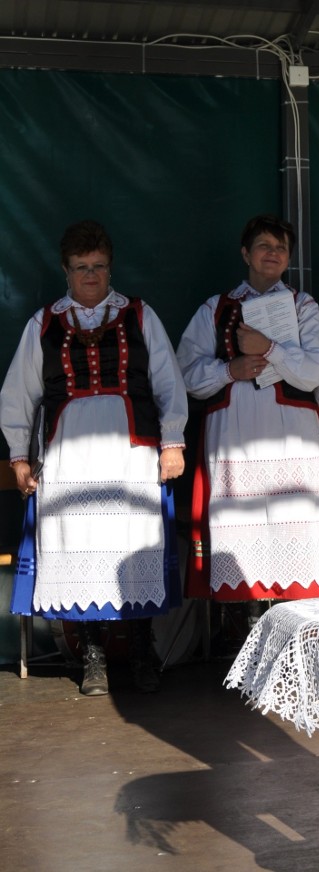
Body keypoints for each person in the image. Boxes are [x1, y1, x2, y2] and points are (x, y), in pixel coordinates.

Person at [0, 219, 187, 696]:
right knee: (79, 547)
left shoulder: (140, 315)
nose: (90, 275)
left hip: (132, 456)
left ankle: (143, 655)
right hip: (70, 457)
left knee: (134, 546)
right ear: (65, 270)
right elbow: (19, 394)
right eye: (81, 267)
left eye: (99, 267)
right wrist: (20, 456)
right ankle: (94, 658)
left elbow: (167, 383)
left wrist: (172, 442)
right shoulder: (43, 323)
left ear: (110, 268)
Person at [176, 215, 319, 630]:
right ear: (246, 253)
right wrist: (232, 369)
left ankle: (297, 633)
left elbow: (317, 371)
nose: (272, 253)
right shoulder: (215, 308)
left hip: (293, 439)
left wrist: (270, 349)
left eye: (281, 248)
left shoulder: (304, 306)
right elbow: (188, 376)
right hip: (236, 436)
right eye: (264, 245)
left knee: (294, 527)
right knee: (241, 529)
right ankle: (244, 629)